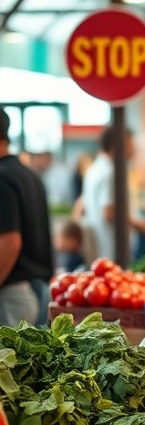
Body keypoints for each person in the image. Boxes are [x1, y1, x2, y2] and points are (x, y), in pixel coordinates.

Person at [0, 107, 54, 327]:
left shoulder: (2, 177)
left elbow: (10, 241)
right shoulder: (28, 174)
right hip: (36, 289)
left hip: (12, 293)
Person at [79, 126, 145, 263]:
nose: (133, 150)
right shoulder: (111, 172)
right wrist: (139, 224)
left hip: (100, 249)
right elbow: (108, 212)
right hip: (113, 250)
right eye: (130, 145)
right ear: (117, 145)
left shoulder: (94, 169)